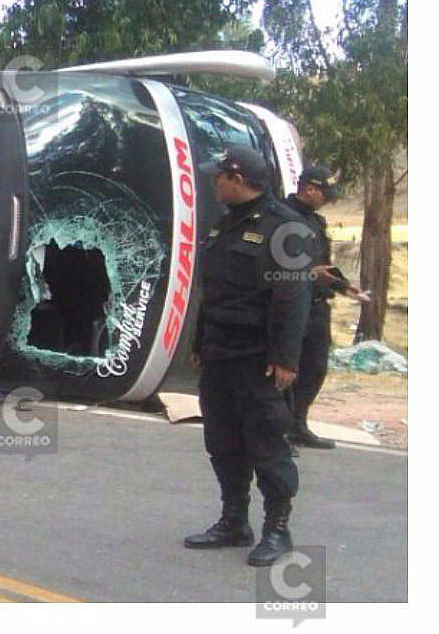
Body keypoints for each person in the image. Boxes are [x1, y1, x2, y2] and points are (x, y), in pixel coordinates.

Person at [184, 146, 313, 567]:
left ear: (236, 179)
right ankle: (234, 521)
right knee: (222, 442)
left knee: (268, 444)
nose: (212, 182)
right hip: (221, 354)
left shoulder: (285, 228)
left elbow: (293, 299)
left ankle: (278, 528)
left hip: (259, 358)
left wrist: (287, 360)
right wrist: (201, 344)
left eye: (217, 176)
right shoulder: (226, 225)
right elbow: (213, 293)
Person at [283, 166, 369, 451]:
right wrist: (309, 275)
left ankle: (297, 425)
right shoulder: (280, 217)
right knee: (284, 369)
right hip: (291, 305)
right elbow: (276, 266)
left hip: (318, 307)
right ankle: (277, 431)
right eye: (324, 194)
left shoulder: (316, 222)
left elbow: (323, 264)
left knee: (315, 369)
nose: (327, 201)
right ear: (309, 188)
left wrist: (344, 287)